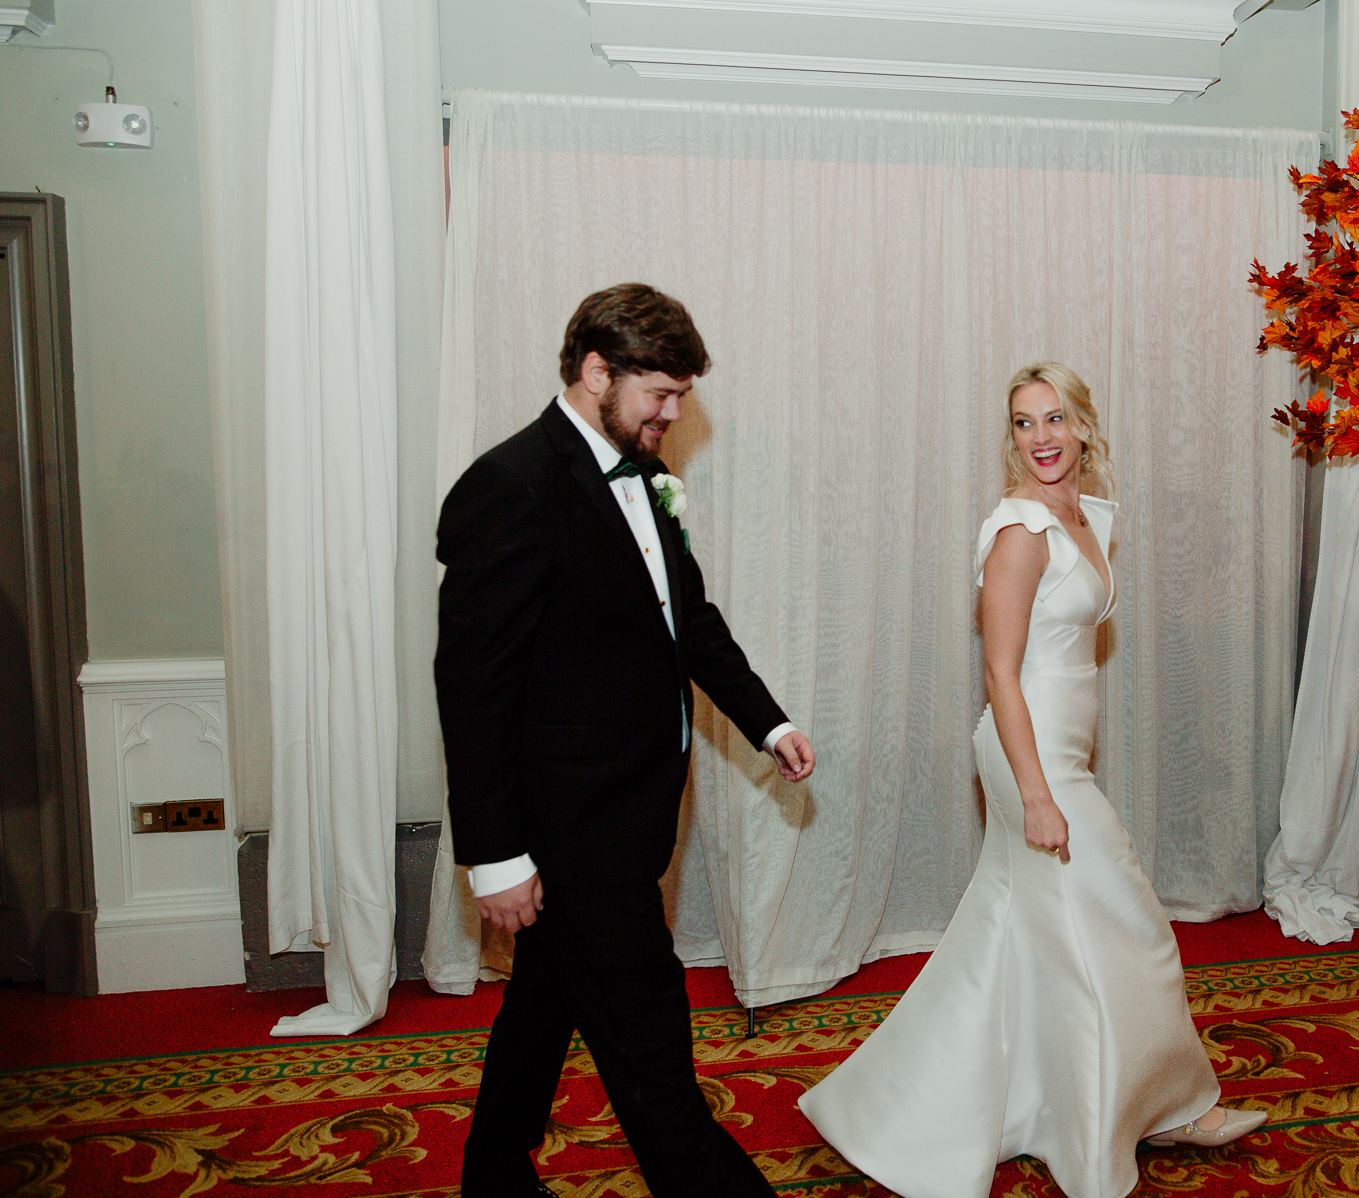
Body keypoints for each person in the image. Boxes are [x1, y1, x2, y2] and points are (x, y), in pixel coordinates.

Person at [798, 363, 1263, 1198]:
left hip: (1062, 754)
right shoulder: (1020, 531)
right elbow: (1001, 675)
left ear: (1084, 425)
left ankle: (907, 1107)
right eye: (1022, 423)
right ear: (1010, 437)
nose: (1040, 438)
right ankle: (1121, 1139)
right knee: (1132, 933)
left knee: (1019, 942)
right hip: (1029, 757)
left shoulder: (1081, 517)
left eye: (1054, 419)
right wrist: (1038, 794)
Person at [435, 283, 816, 1198]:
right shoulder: (508, 486)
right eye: (662, 394)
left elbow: (687, 620)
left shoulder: (642, 470)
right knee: (650, 1039)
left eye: (681, 396)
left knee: (546, 1000)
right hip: (571, 827)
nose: (674, 414)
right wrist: (493, 856)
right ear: (596, 371)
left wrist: (768, 720)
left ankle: (491, 1173)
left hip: (634, 807)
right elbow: (472, 686)